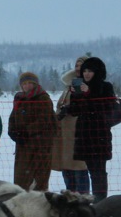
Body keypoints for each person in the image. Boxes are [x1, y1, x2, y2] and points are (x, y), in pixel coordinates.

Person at [63, 56, 115, 201]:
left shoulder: (105, 87)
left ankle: (101, 202)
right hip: (84, 135)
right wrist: (75, 96)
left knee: (99, 172)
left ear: (97, 72)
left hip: (99, 136)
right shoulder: (79, 86)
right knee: (92, 170)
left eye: (90, 71)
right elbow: (75, 111)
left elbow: (106, 108)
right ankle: (94, 202)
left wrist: (88, 94)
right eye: (84, 70)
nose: (86, 73)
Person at [8, 72, 56, 191]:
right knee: (21, 181)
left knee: (38, 181)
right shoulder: (19, 99)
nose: (27, 86)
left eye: (30, 83)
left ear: (35, 84)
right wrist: (13, 132)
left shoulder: (43, 98)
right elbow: (13, 117)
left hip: (40, 146)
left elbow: (44, 120)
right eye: (24, 83)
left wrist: (26, 131)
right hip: (23, 146)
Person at [52, 56, 92, 193]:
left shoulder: (90, 88)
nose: (78, 69)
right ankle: (72, 202)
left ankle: (82, 202)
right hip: (64, 137)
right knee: (68, 171)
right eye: (76, 66)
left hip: (79, 135)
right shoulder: (69, 87)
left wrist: (69, 109)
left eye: (82, 66)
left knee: (80, 170)